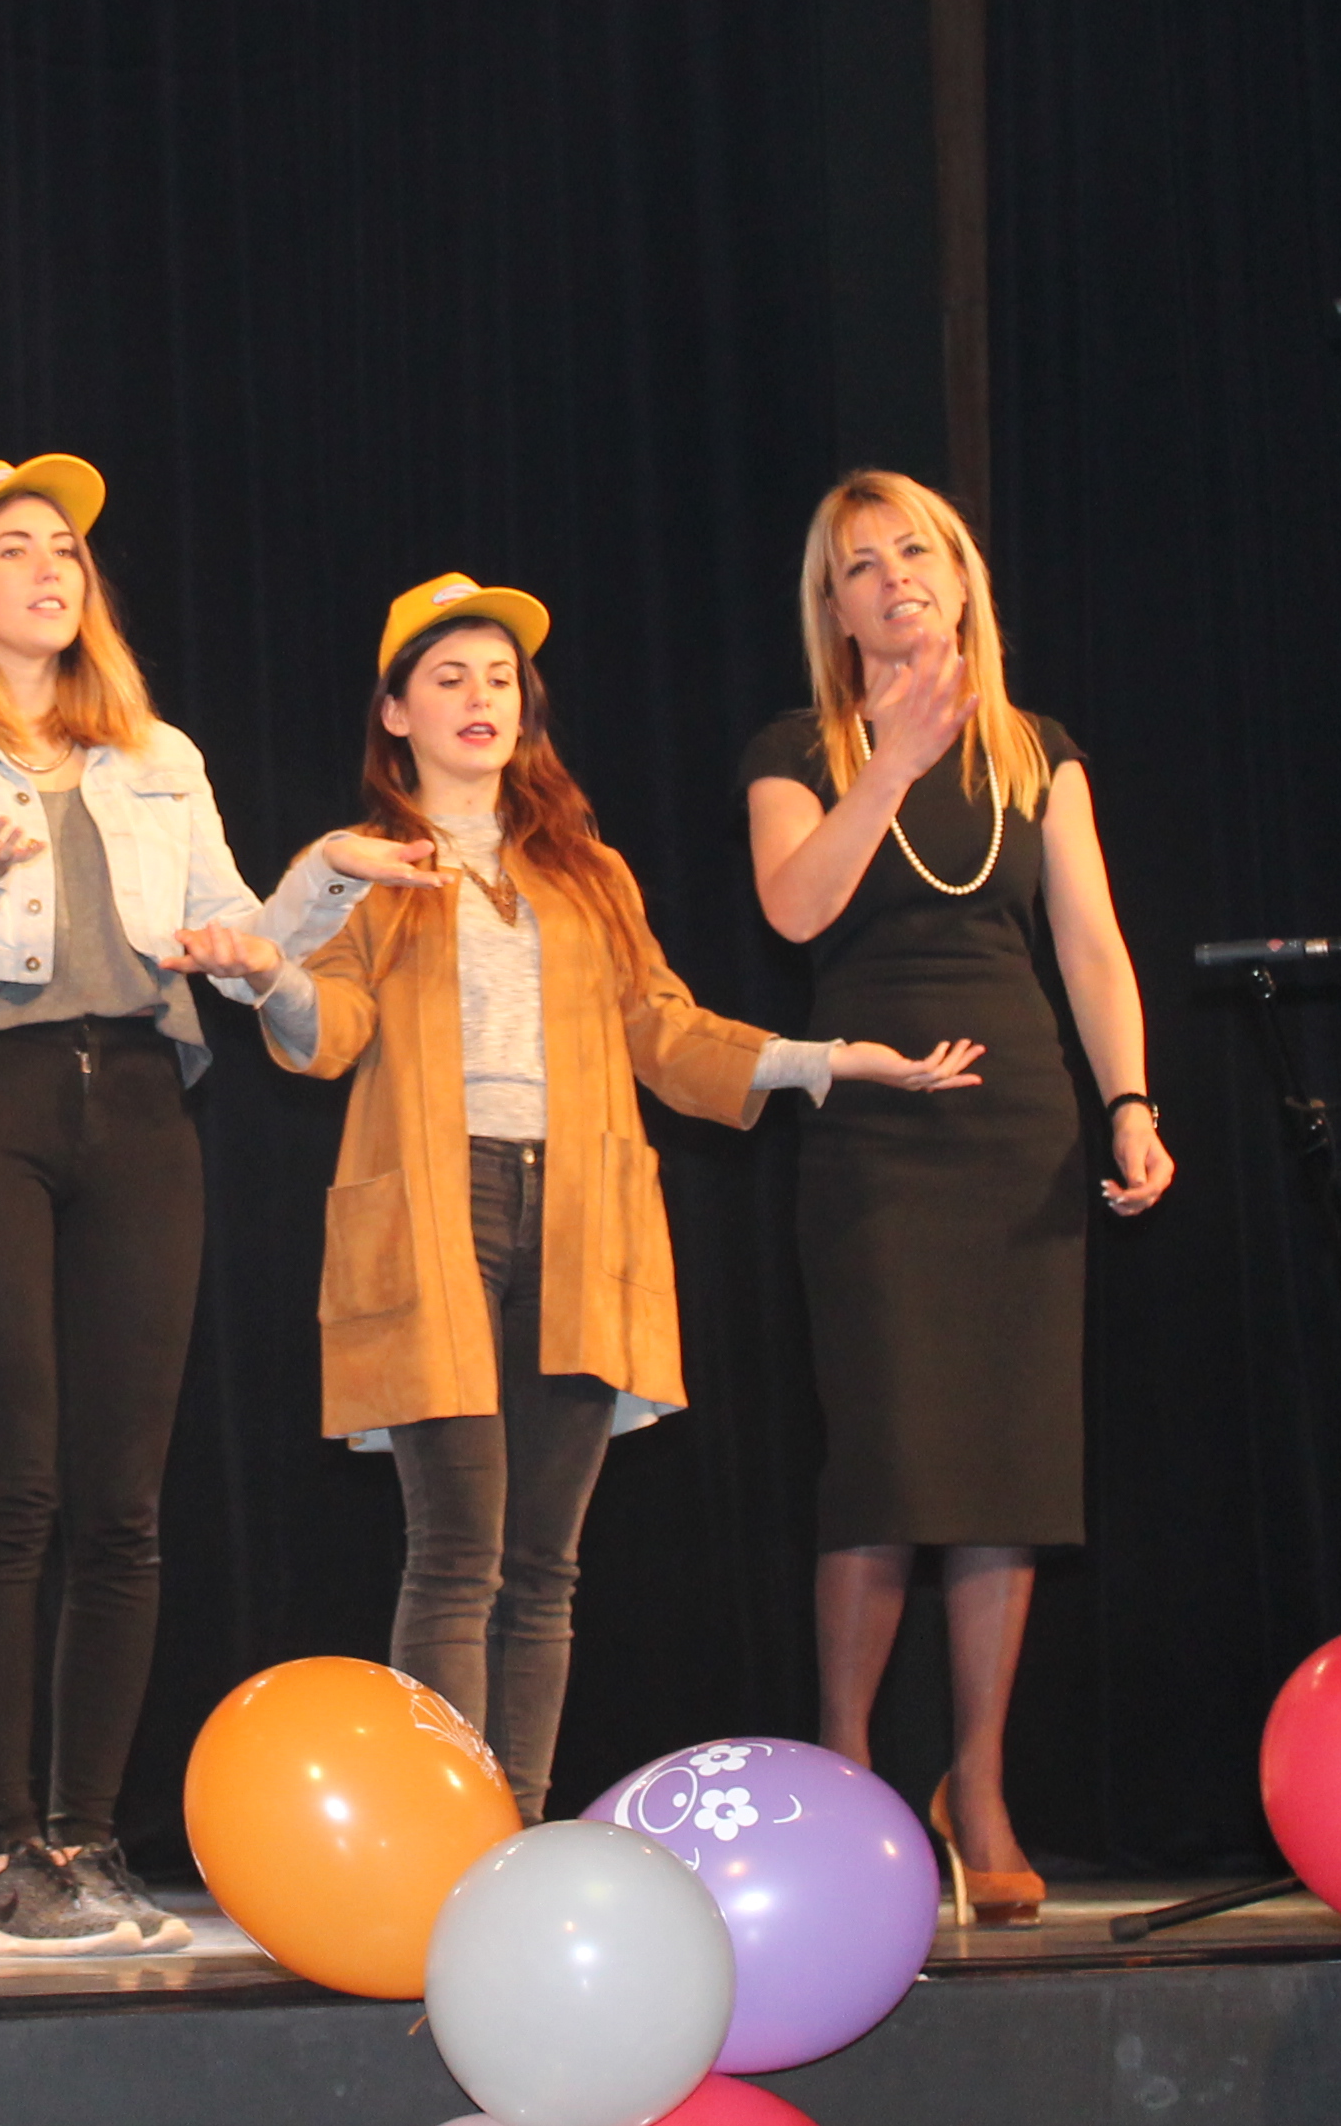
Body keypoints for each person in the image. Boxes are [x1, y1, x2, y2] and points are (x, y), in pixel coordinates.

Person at [268, 576, 978, 1820]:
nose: (482, 699)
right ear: (395, 712)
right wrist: (268, 970)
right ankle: (441, 1836)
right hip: (438, 1210)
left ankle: (519, 1829)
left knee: (545, 1566)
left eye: (501, 678)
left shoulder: (587, 870)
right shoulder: (367, 868)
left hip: (580, 1213)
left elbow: (666, 1030)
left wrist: (825, 1062)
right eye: (449, 678)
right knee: (458, 1552)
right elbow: (322, 1033)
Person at [0, 455, 427, 1953]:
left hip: (138, 1098)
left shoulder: (155, 754)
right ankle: (0, 1849)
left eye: (66, 547)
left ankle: (84, 1833)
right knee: (17, 1483)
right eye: (14, 547)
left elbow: (230, 937)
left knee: (123, 1498)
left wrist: (323, 880)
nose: (51, 569)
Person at [741, 469, 1173, 1927]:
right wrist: (887, 764)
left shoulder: (1037, 752)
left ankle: (976, 1784)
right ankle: (847, 1778)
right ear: (835, 607)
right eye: (860, 566)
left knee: (1007, 1472)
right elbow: (794, 907)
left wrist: (1130, 1105)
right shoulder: (796, 749)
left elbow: (1092, 945)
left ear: (961, 573)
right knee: (886, 1460)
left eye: (913, 551)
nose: (894, 578)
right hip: (876, 1136)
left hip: (1018, 1135)